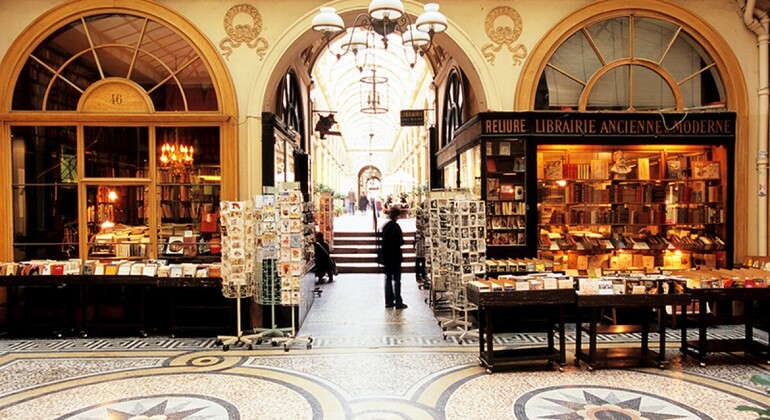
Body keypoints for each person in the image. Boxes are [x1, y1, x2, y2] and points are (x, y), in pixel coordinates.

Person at [380, 206, 406, 309]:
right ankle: (398, 301)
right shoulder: (396, 227)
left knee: (388, 279)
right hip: (395, 256)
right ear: (397, 216)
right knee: (397, 279)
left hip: (387, 256)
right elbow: (400, 242)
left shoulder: (386, 226)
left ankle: (388, 301)